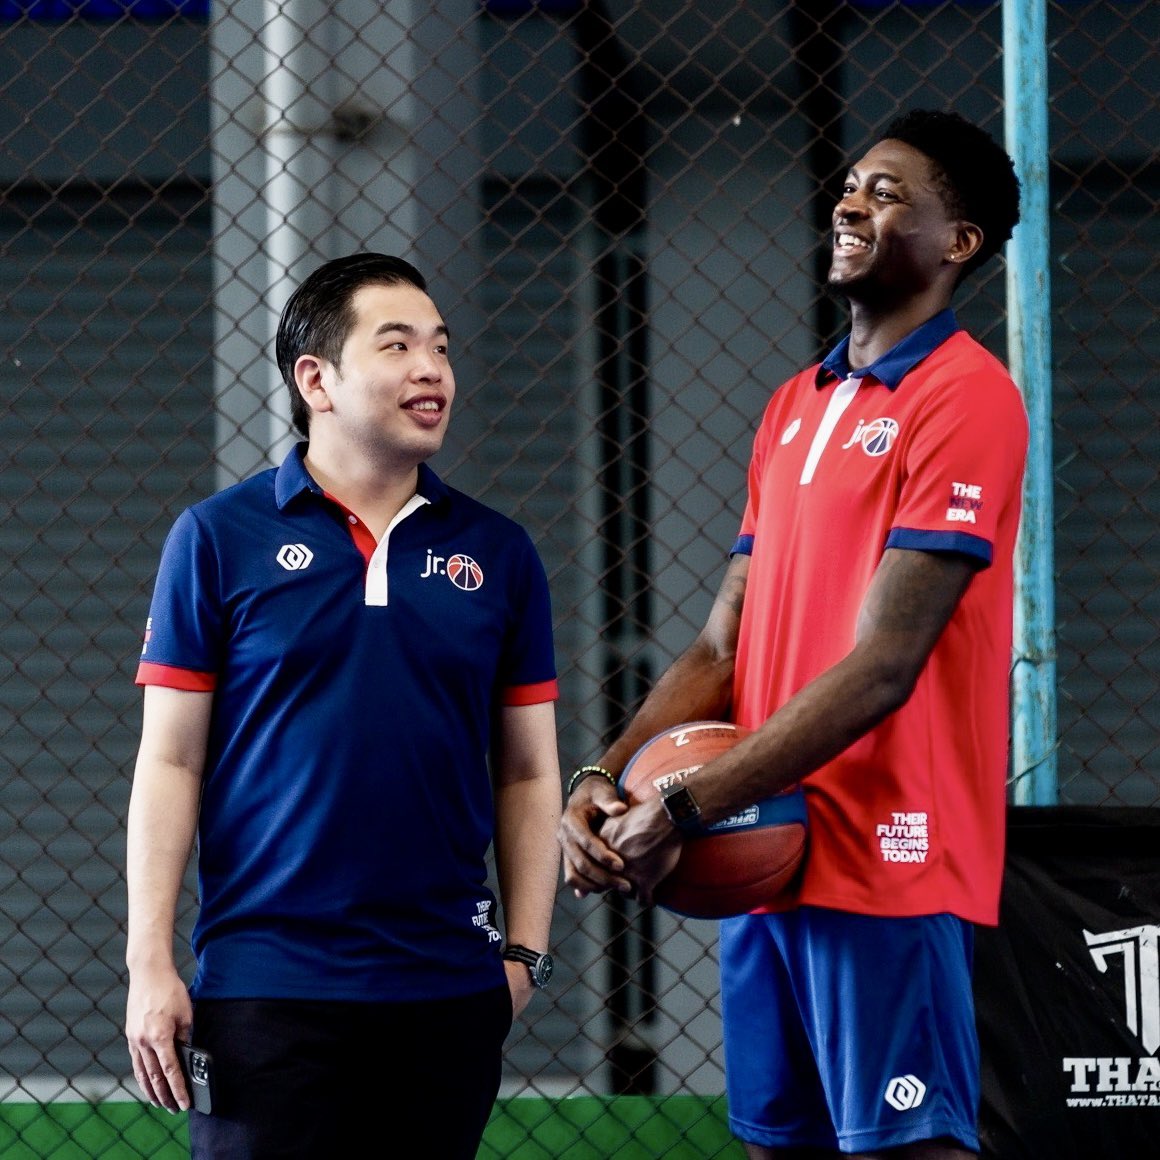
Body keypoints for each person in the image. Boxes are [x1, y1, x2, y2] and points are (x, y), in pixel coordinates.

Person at [558, 109, 1026, 1159]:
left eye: (889, 191)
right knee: (784, 1146)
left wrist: (680, 803)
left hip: (882, 852)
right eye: (849, 184)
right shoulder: (792, 404)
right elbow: (720, 648)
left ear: (958, 242)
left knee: (909, 1148)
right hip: (763, 852)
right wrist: (608, 770)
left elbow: (883, 665)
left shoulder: (965, 398)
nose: (851, 201)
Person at [125, 252, 562, 1159]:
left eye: (440, 346)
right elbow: (169, 761)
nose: (432, 368)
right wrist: (149, 963)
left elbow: (527, 769)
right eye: (396, 344)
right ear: (315, 380)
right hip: (265, 990)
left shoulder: (501, 553)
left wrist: (522, 955)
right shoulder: (215, 539)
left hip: (446, 988)